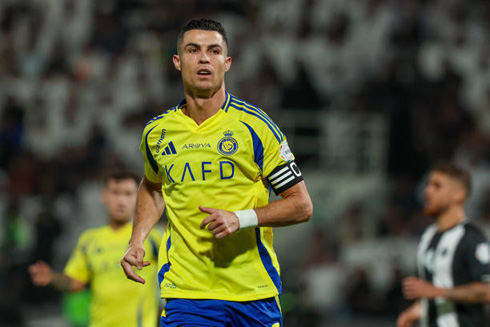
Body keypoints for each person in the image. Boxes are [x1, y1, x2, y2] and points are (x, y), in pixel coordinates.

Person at [120, 18, 313, 327]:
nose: (204, 58)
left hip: (253, 292)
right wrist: (137, 240)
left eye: (214, 50)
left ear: (228, 62)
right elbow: (153, 187)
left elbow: (301, 205)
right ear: (177, 61)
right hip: (187, 294)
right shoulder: (157, 133)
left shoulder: (256, 127)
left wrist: (240, 218)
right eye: (193, 50)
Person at [29, 171, 161, 327]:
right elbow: (76, 282)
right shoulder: (90, 240)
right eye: (115, 193)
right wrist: (53, 277)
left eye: (128, 194)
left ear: (138, 198)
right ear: (104, 196)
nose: (121, 200)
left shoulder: (150, 237)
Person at [397, 162, 490, 327]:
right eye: (428, 185)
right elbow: (436, 295)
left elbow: (486, 291)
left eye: (437, 186)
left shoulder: (470, 237)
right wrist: (416, 311)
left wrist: (437, 292)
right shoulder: (428, 236)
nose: (427, 191)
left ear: (458, 195)